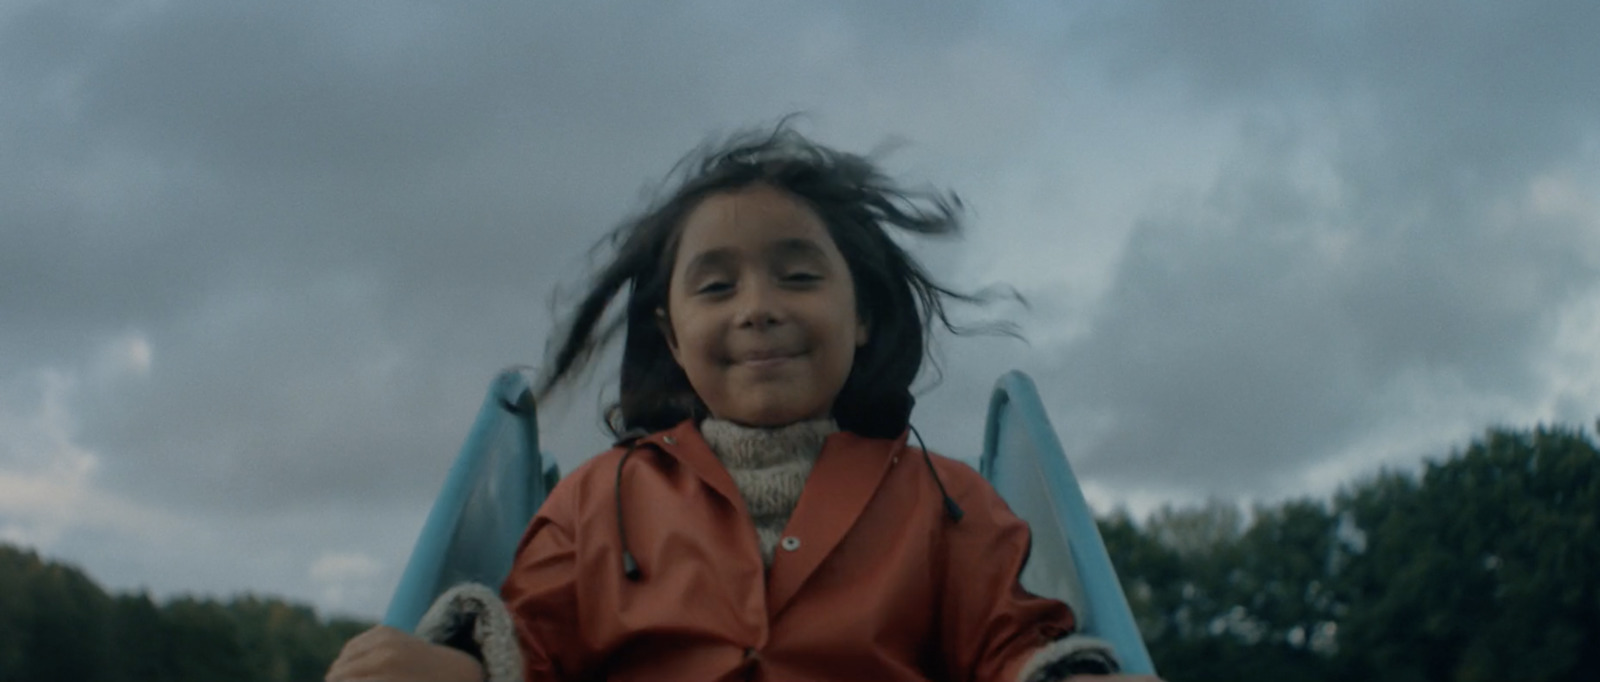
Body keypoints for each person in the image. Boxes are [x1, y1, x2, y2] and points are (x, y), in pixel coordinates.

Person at [327, 124, 1161, 682]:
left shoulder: (945, 502)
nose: (757, 307)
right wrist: (457, 668)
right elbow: (534, 643)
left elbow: (1013, 644)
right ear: (674, 332)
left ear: (861, 313)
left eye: (798, 276)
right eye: (717, 286)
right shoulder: (597, 498)